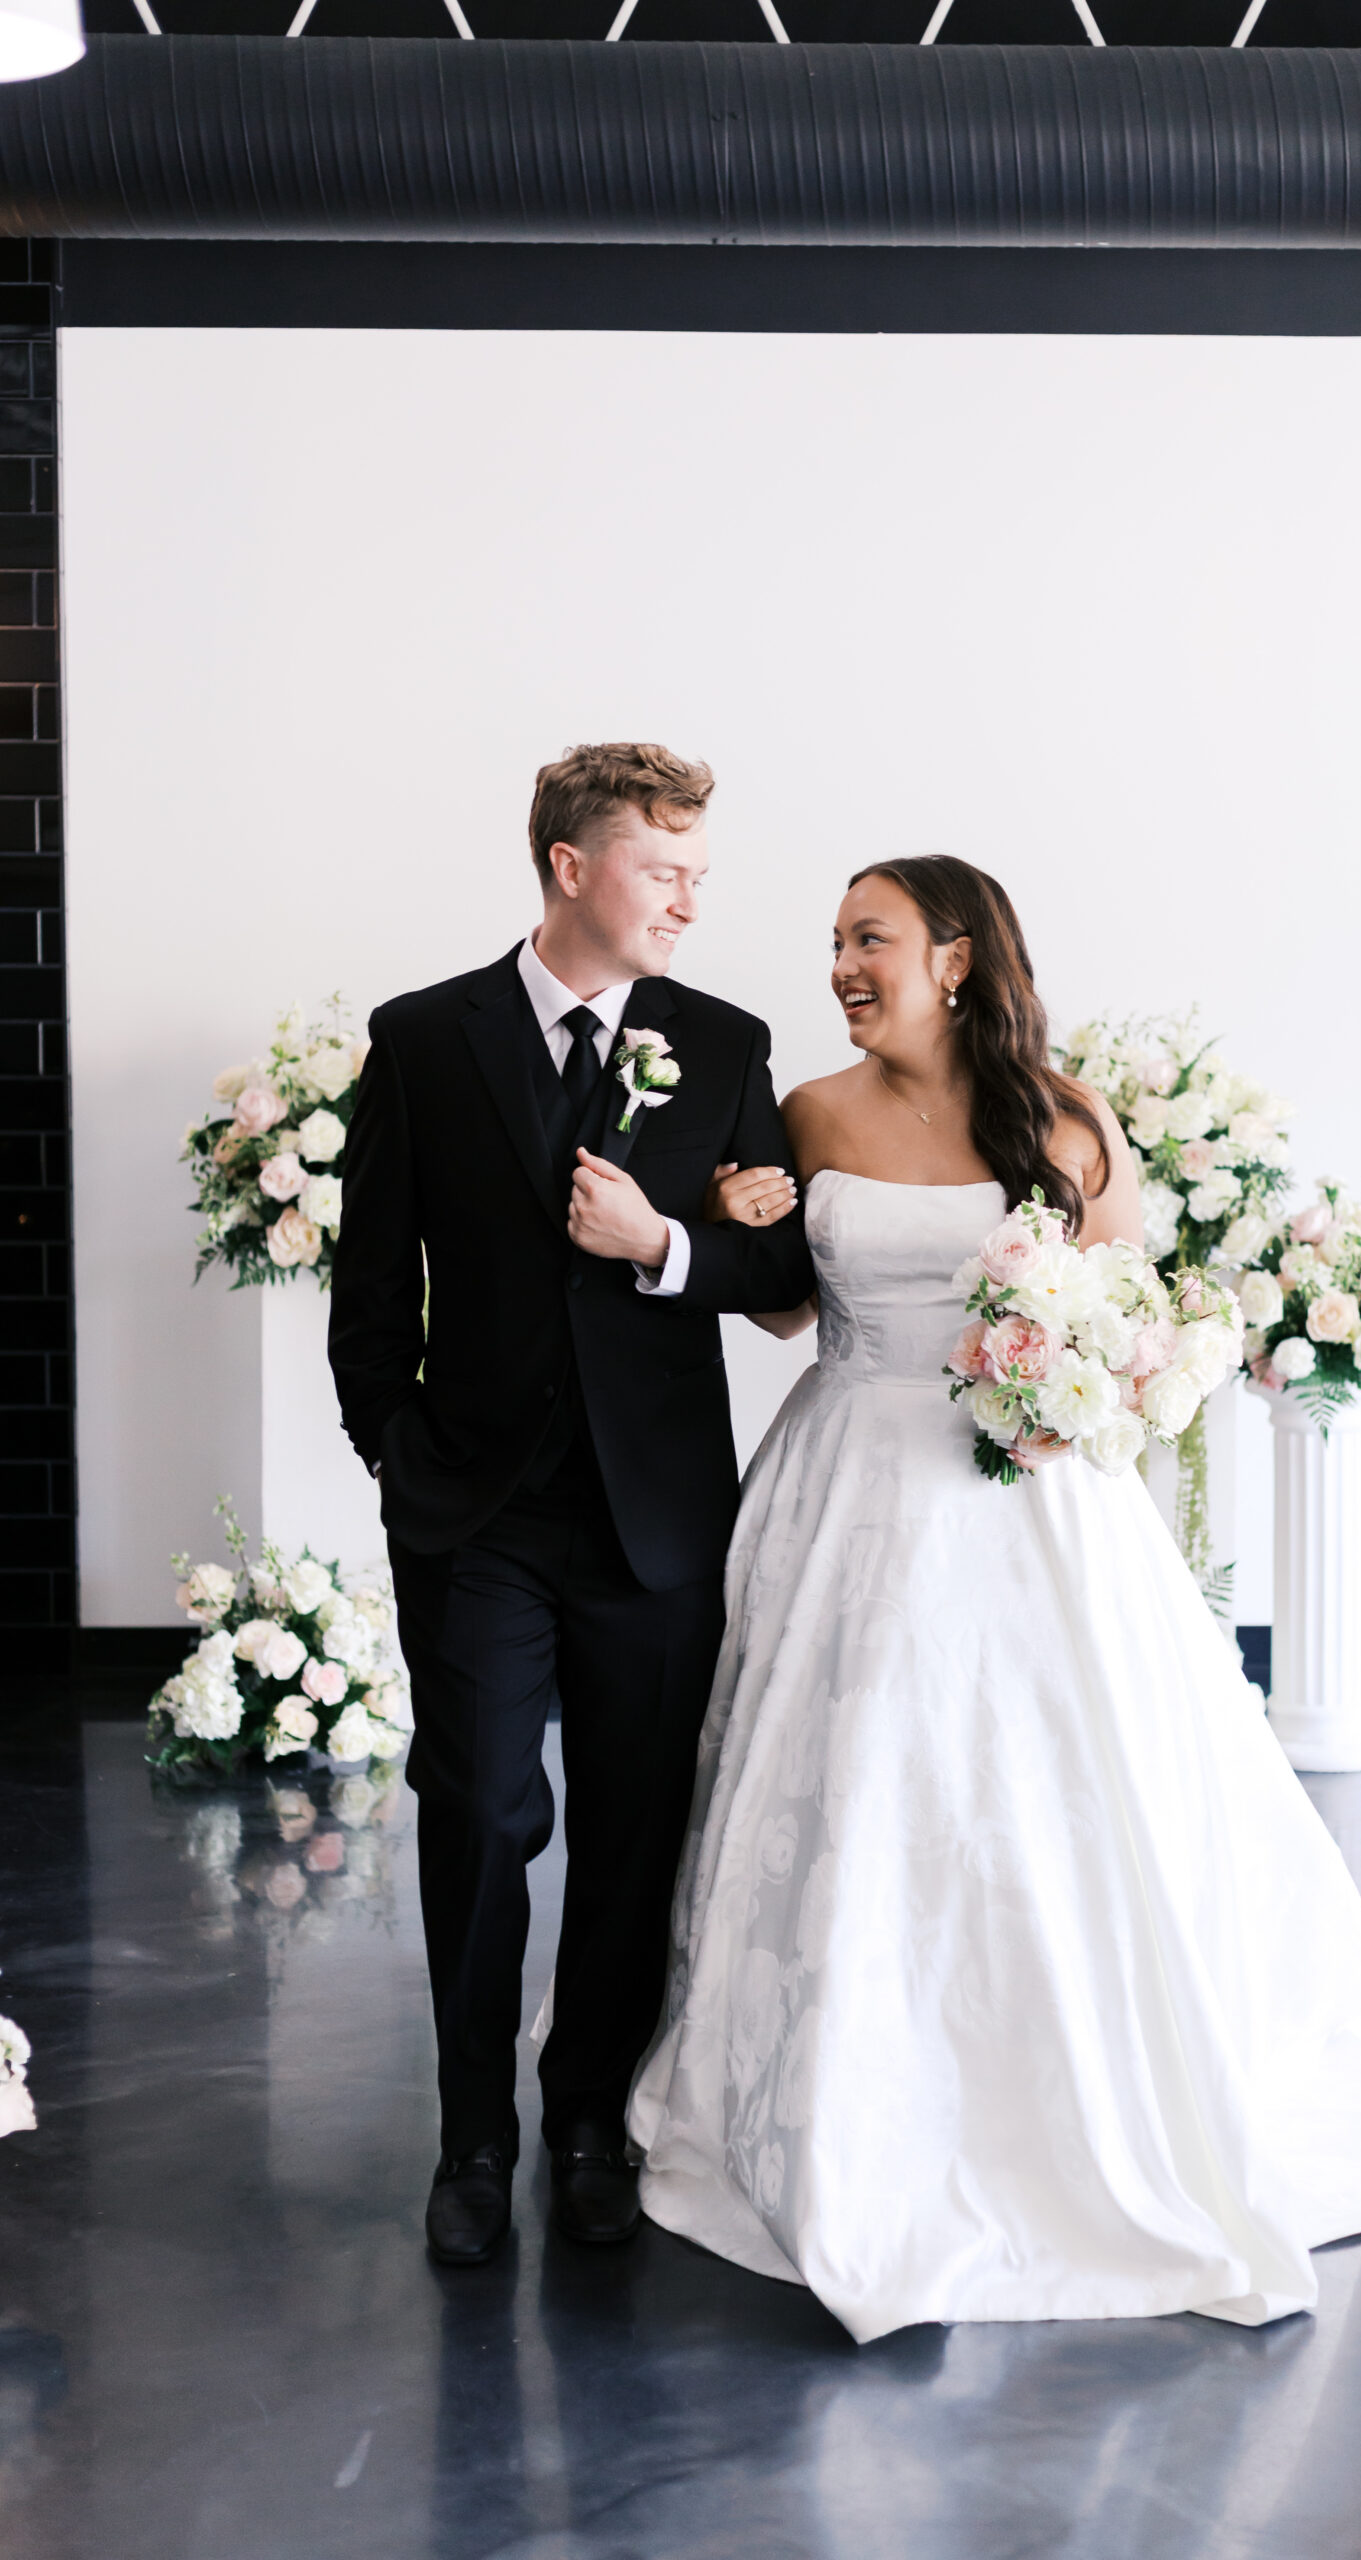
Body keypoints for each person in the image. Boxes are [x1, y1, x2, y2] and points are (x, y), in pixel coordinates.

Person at [624, 854, 1361, 2343]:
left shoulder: (1064, 1119)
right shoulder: (809, 1111)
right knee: (846, 1784)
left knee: (1042, 1787)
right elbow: (780, 1304)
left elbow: (1130, 1313)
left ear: (953, 956)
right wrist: (731, 1205)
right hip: (840, 1481)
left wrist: (1076, 1372)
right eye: (833, 941)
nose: (838, 961)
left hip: (1024, 1491)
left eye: (867, 936)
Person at [329, 742, 812, 2268]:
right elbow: (369, 1276)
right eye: (660, 869)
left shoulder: (726, 1043)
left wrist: (667, 1242)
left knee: (631, 1825)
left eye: (695, 873)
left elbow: (784, 1277)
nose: (686, 898)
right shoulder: (422, 1038)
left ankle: (589, 2114)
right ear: (567, 867)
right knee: (477, 1812)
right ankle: (472, 2138)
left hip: (656, 1520)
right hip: (474, 1517)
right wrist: (392, 1453)